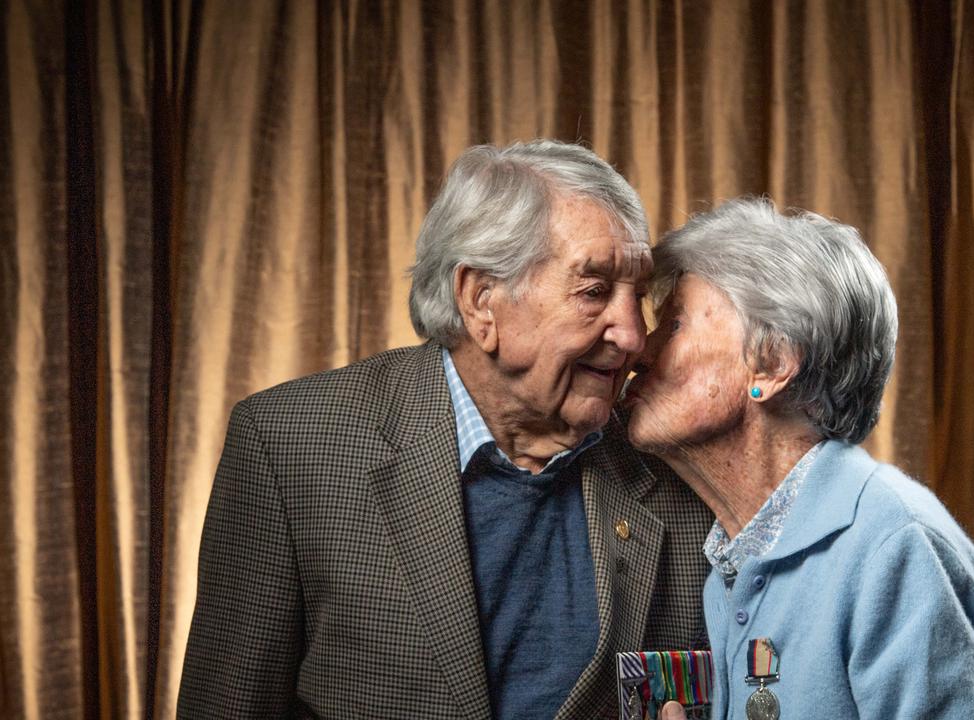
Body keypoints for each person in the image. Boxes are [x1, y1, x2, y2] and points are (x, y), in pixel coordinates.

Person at [177, 140, 713, 719]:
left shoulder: (677, 459)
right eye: (595, 291)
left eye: (639, 297)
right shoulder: (290, 444)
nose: (633, 336)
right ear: (481, 300)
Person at [625, 198, 974, 719]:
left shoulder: (895, 548)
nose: (639, 352)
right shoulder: (734, 558)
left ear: (770, 365)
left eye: (674, 324)